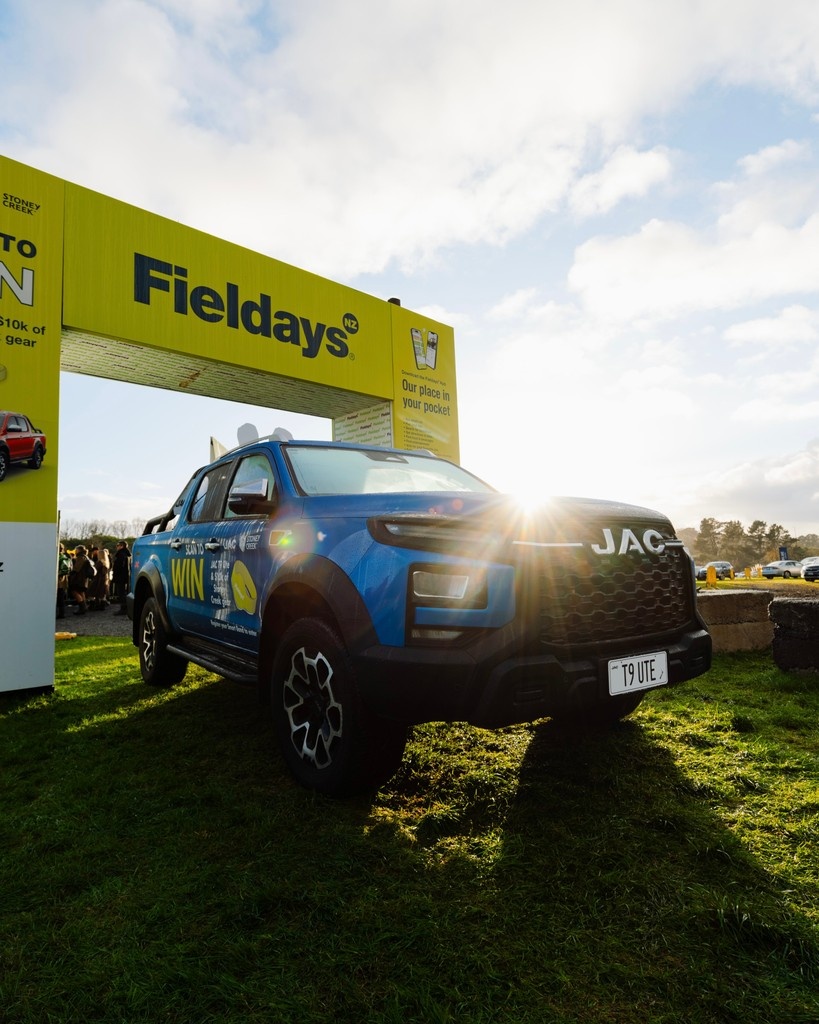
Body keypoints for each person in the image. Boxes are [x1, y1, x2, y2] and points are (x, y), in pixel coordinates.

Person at [68, 544, 95, 615]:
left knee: (74, 591)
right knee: (81, 592)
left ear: (79, 550)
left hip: (78, 578)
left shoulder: (80, 557)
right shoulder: (86, 557)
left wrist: (71, 574)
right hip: (84, 578)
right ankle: (84, 606)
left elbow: (76, 568)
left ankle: (82, 607)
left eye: (76, 550)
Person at [88, 545, 111, 610]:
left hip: (98, 579)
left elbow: (94, 570)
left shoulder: (99, 562)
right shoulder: (106, 563)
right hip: (104, 579)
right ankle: (102, 606)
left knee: (92, 592)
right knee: (102, 593)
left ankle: (92, 606)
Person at [111, 540, 131, 615]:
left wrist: (115, 575)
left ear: (122, 546)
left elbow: (119, 566)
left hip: (120, 577)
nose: (117, 547)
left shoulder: (121, 554)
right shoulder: (127, 554)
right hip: (125, 576)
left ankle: (123, 609)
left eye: (118, 545)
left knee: (121, 593)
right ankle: (125, 608)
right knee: (123, 592)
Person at [56, 543, 72, 619]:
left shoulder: (57, 557)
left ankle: (60, 613)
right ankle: (62, 613)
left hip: (58, 579)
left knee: (58, 597)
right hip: (64, 579)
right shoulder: (65, 557)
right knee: (61, 597)